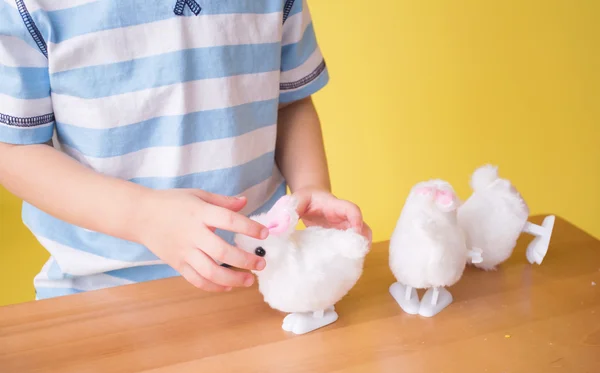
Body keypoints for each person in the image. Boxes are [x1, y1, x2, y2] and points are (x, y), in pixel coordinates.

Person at [0, 0, 371, 299]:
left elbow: (289, 101)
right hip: (99, 289)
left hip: (259, 275)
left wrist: (311, 186)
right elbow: (13, 151)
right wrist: (142, 215)